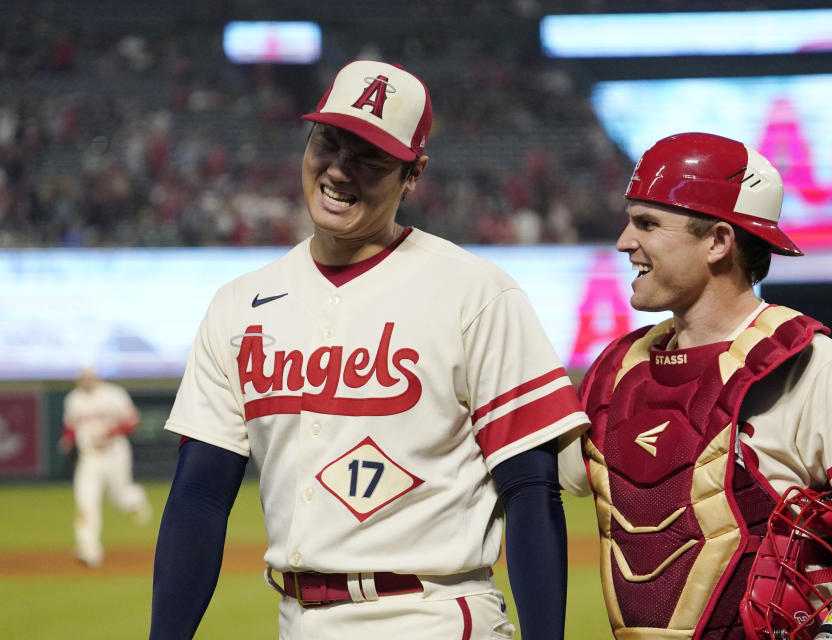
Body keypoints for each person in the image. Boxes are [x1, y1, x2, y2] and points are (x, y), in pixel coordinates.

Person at [149, 59, 588, 640]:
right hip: (297, 620)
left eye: (370, 156)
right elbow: (198, 499)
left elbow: (531, 489)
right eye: (330, 141)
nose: (339, 169)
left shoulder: (476, 294)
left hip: (433, 614)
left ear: (414, 173)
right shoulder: (239, 304)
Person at [558, 132, 832, 640]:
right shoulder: (617, 374)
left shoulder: (817, 368)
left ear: (719, 242)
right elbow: (536, 482)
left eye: (648, 223)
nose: (624, 241)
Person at [60, 366, 152, 567]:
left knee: (119, 498)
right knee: (86, 502)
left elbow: (132, 422)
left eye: (88, 377)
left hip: (115, 453)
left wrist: (109, 433)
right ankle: (89, 550)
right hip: (89, 457)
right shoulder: (73, 399)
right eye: (82, 377)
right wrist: (67, 439)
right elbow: (70, 427)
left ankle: (136, 498)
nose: (85, 380)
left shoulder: (113, 394)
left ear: (96, 377)